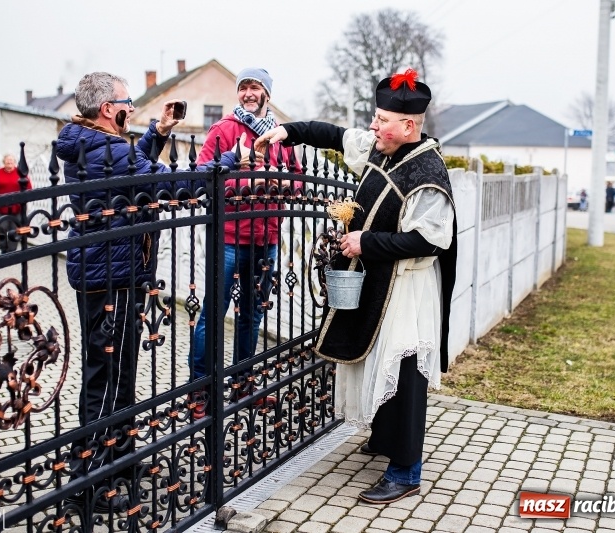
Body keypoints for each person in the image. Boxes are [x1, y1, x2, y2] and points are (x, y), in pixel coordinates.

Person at [256, 68, 457, 504]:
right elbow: (333, 135)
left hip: (407, 288)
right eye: (376, 117)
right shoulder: (383, 149)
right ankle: (384, 440)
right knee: (377, 363)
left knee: (403, 373)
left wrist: (366, 241)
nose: (373, 125)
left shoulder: (428, 172)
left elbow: (429, 240)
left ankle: (406, 472)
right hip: (380, 281)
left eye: (382, 119)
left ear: (408, 126)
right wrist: (288, 132)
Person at [56, 71, 230, 510]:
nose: (132, 108)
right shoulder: (108, 149)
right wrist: (227, 161)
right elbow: (169, 184)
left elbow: (130, 176)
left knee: (115, 376)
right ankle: (89, 485)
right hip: (112, 278)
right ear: (108, 109)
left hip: (107, 273)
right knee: (107, 381)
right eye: (126, 102)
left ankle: (118, 460)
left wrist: (158, 133)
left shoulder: (91, 143)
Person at [189, 68, 300, 418]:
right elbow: (202, 175)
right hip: (230, 239)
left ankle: (243, 385)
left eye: (255, 87)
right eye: (243, 88)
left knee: (252, 316)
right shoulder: (224, 130)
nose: (248, 93)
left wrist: (287, 186)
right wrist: (246, 185)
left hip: (267, 238)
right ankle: (199, 391)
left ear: (267, 93)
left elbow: (298, 177)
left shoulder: (281, 135)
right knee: (213, 315)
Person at [0, 154, 32, 253]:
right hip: (1, 206)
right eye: (7, 160)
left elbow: (28, 187)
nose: (9, 162)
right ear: (4, 162)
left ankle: (12, 250)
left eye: (11, 160)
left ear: (14, 162)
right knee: (2, 226)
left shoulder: (20, 173)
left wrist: (22, 199)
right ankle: (3, 248)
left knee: (14, 228)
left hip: (17, 206)